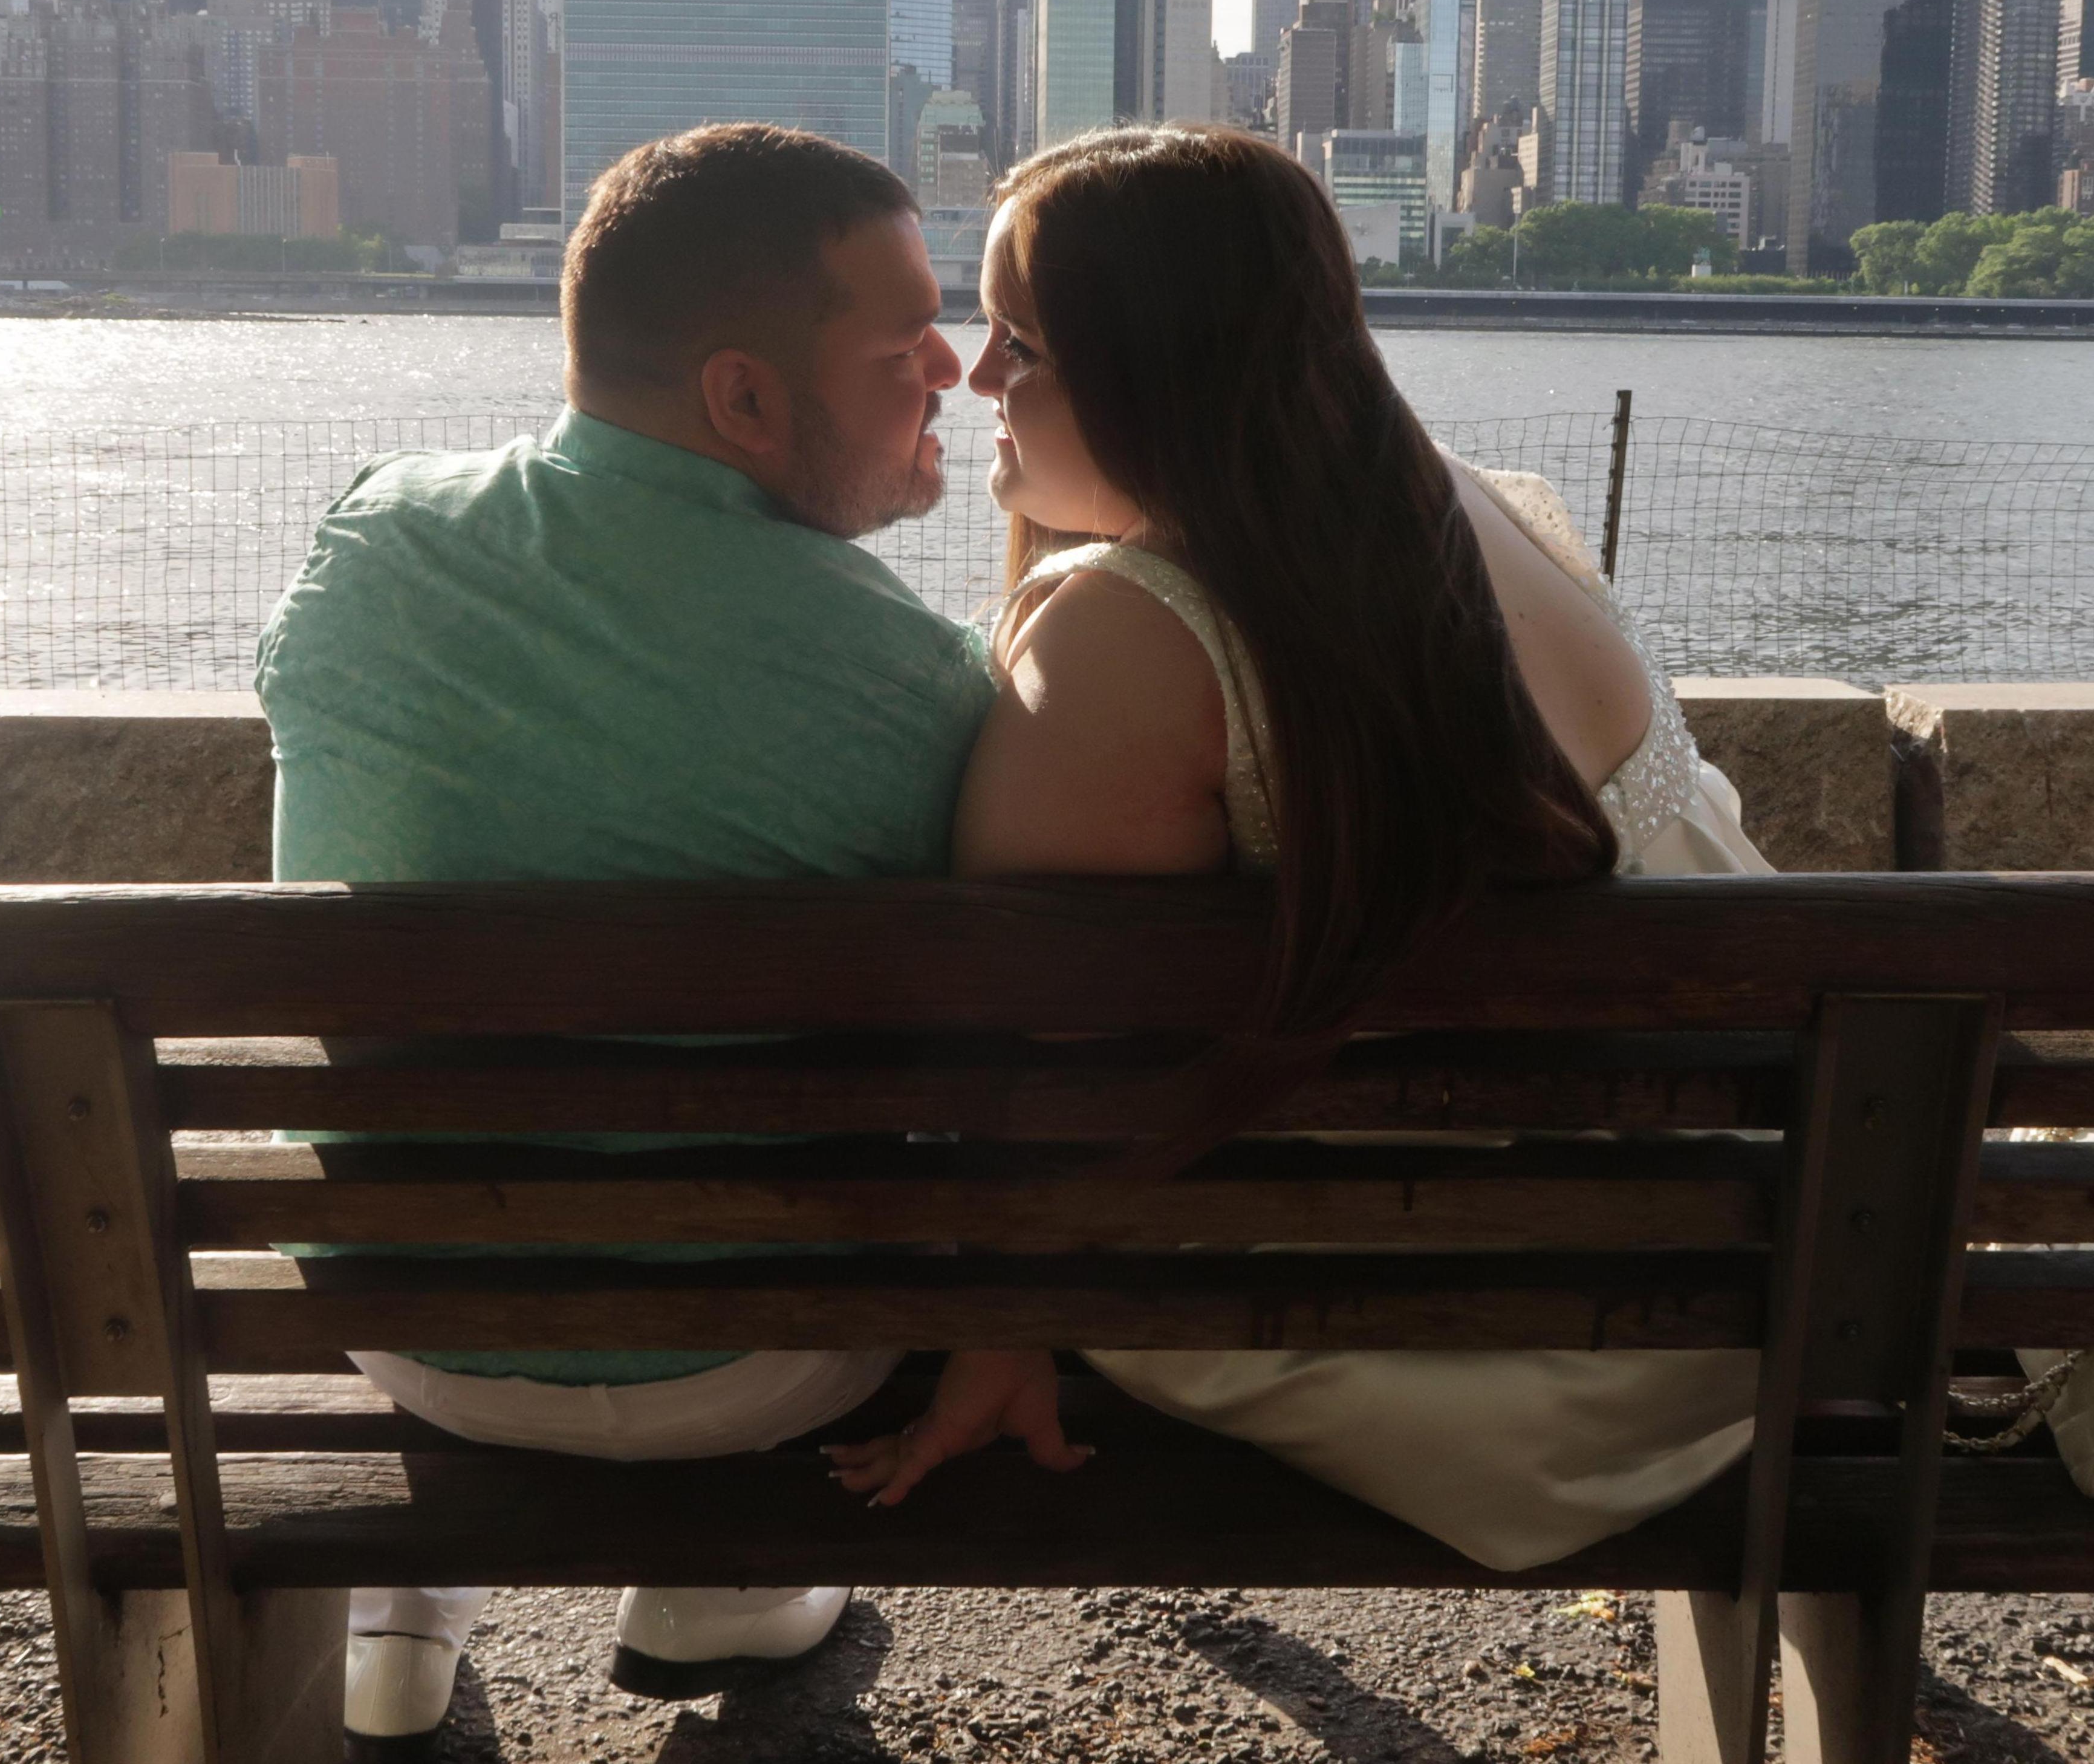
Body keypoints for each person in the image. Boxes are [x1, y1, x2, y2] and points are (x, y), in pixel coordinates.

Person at [826, 124, 1772, 1572]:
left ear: (1165, 372)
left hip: (1490, 1361)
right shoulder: (1472, 509)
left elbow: (1037, 1065)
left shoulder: (1132, 634)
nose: (978, 378)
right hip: (1761, 1280)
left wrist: (1000, 1325)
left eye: (1025, 341)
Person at [257, 125, 994, 1756]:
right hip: (754, 1374)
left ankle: (407, 1597)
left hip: (413, 1334)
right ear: (743, 400)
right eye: (907, 342)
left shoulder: (373, 544)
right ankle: (721, 1582)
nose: (960, 371)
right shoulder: (927, 687)